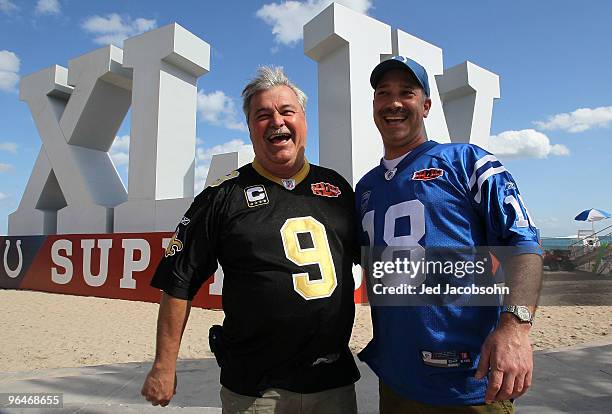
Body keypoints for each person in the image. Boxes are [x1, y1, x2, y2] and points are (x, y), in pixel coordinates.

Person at [141, 66, 360, 413]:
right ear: (249, 128)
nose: (277, 121)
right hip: (255, 390)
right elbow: (178, 282)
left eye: (287, 111)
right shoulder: (220, 197)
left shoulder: (337, 189)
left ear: (304, 119)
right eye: (263, 115)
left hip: (332, 382)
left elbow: (381, 267)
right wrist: (164, 367)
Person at [355, 56, 542, 413]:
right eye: (383, 93)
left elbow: (523, 246)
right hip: (396, 381)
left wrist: (516, 329)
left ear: (425, 106)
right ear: (374, 105)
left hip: (467, 383)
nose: (394, 102)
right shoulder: (366, 188)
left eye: (406, 93)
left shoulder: (466, 161)